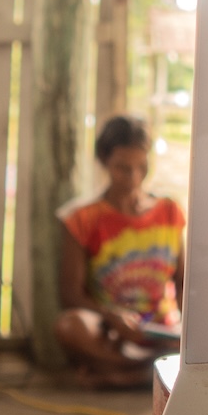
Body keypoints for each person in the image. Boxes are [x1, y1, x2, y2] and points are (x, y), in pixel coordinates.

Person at [55, 115, 185, 388]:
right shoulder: (82, 218)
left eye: (141, 166)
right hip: (112, 333)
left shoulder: (169, 211)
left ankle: (122, 375)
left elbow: (184, 283)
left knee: (204, 338)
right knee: (71, 326)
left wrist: (185, 331)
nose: (134, 177)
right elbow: (70, 294)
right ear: (104, 163)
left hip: (162, 330)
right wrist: (110, 315)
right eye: (123, 168)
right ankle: (146, 374)